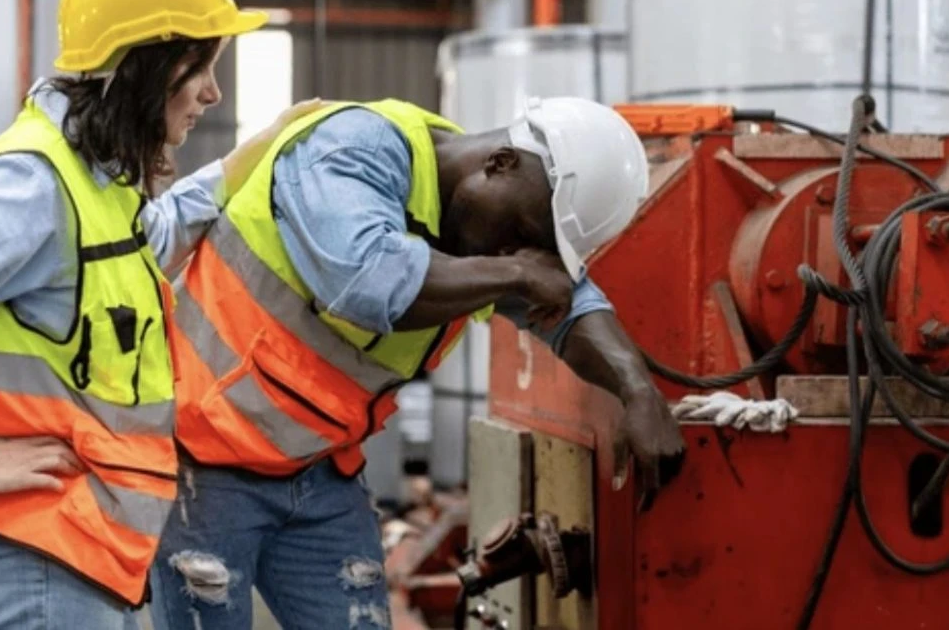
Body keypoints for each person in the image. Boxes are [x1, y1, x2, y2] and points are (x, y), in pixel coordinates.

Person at [0, 0, 315, 630]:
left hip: (79, 554)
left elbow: (156, 234)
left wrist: (262, 149)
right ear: (146, 69)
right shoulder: (35, 182)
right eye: (201, 67)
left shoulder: (95, 184)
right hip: (29, 558)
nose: (214, 92)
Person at [149, 96, 687, 629]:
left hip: (319, 472)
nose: (514, 253)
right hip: (203, 458)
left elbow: (571, 305)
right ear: (500, 163)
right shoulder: (353, 147)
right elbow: (368, 281)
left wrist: (637, 389)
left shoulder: (483, 235)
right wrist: (518, 276)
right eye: (522, 235)